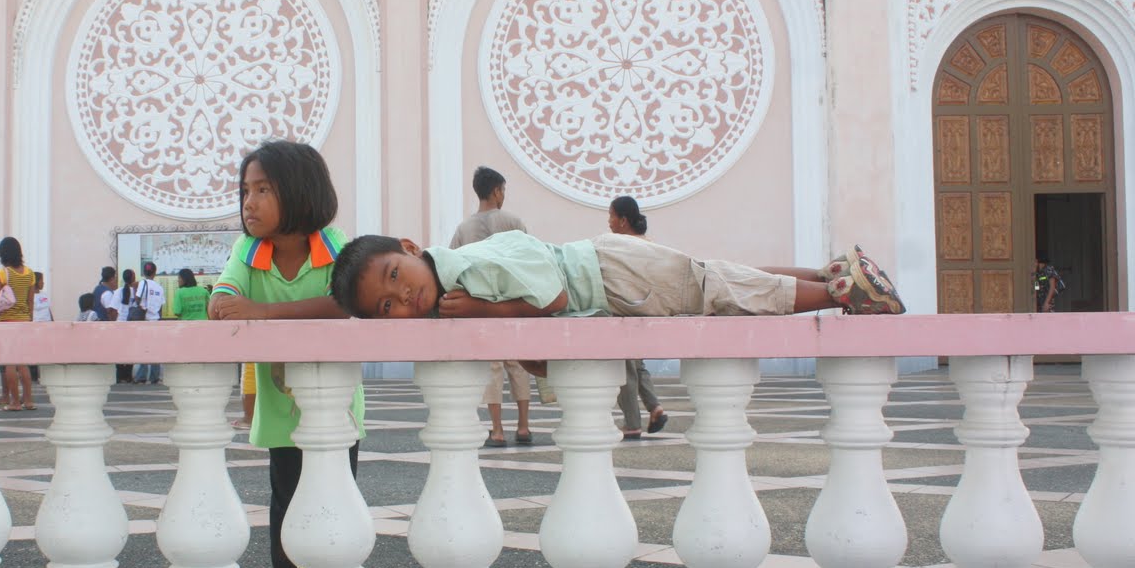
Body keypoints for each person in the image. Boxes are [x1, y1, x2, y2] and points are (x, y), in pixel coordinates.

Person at [208, 139, 364, 568]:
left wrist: (263, 312)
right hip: (281, 412)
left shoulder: (334, 245)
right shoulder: (247, 250)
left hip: (336, 409)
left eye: (263, 190)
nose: (249, 203)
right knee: (286, 502)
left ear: (299, 191)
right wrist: (223, 300)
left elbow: (342, 302)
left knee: (335, 501)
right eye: (245, 191)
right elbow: (223, 295)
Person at [330, 232, 905, 325]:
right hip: (615, 270)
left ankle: (846, 294)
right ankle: (833, 273)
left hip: (614, 276)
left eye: (394, 275)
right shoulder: (454, 286)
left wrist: (487, 311)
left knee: (721, 292)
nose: (402, 295)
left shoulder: (471, 268)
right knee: (716, 278)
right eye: (387, 306)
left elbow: (554, 298)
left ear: (411, 248)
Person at [451, 165, 535, 448]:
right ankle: (523, 427)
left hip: (481, 305)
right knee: (519, 364)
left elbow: (453, 266)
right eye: (503, 190)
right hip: (513, 301)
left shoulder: (464, 228)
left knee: (493, 367)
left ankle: (497, 430)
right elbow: (532, 258)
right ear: (497, 190)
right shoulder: (514, 222)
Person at [608, 197, 668, 440]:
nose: (609, 221)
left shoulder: (619, 246)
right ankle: (655, 407)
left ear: (623, 220)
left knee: (625, 368)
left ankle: (632, 423)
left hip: (625, 309)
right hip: (645, 310)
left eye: (612, 215)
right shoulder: (649, 244)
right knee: (637, 364)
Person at [0, 236, 37, 411]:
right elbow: (30, 301)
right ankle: (28, 400)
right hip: (24, 321)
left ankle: (14, 402)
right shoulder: (30, 274)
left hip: (6, 321)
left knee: (9, 363)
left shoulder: (3, 273)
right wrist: (29, 319)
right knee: (23, 363)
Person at [133, 261, 167, 384]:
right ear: (154, 272)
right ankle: (154, 376)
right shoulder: (159, 287)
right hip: (155, 321)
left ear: (144, 272)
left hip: (144, 321)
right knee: (155, 349)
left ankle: (141, 376)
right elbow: (161, 307)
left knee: (144, 349)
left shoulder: (142, 283)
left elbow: (137, 298)